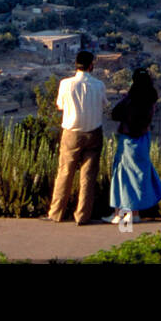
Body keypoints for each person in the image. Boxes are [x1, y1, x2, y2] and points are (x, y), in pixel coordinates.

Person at [47, 50, 107, 225]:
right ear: (91, 65)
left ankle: (56, 213)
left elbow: (60, 106)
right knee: (88, 175)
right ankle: (82, 216)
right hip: (94, 132)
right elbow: (104, 104)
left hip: (71, 132)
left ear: (76, 65)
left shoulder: (65, 84)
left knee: (65, 172)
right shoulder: (99, 85)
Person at [103, 68, 161, 224]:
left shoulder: (130, 99)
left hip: (128, 139)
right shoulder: (151, 99)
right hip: (144, 139)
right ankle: (135, 213)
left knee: (122, 175)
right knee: (138, 174)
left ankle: (121, 213)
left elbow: (115, 113)